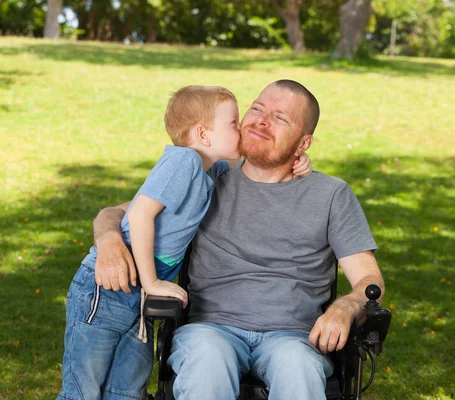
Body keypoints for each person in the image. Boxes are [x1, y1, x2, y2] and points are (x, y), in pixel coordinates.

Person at [92, 80, 385, 400]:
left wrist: (347, 306)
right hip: (210, 329)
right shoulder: (206, 175)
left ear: (303, 144)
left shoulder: (331, 195)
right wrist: (109, 242)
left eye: (280, 118)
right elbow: (119, 212)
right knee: (207, 363)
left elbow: (370, 281)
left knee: (298, 367)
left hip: (293, 337)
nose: (262, 120)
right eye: (257, 109)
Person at [57, 85, 312, 400]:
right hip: (109, 287)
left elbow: (257, 162)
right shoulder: (184, 163)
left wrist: (296, 160)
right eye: (233, 123)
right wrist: (151, 282)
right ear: (204, 135)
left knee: (125, 391)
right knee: (82, 391)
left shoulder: (209, 168)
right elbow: (139, 216)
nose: (242, 129)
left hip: (137, 297)